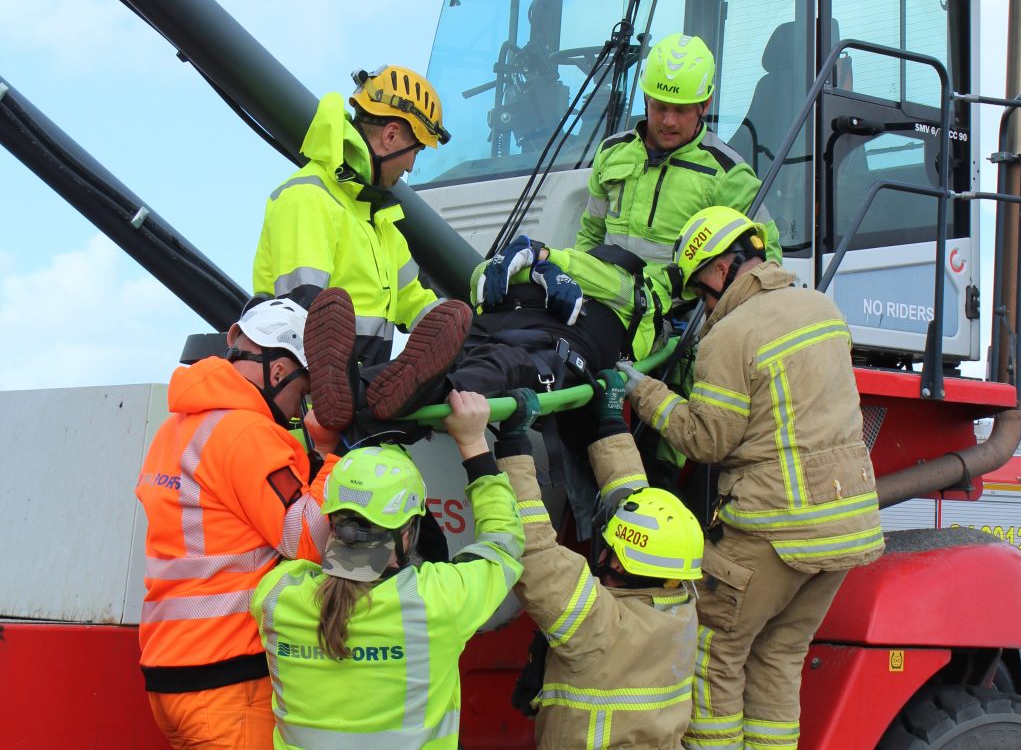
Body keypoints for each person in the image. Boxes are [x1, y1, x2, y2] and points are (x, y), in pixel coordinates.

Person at [614, 206, 884, 750]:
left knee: (714, 652)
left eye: (701, 295)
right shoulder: (824, 309)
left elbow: (705, 440)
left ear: (719, 270)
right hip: (847, 527)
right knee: (779, 658)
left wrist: (641, 390)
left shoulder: (731, 335)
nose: (703, 309)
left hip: (774, 528)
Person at [250, 390, 525, 749]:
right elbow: (503, 544)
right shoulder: (436, 602)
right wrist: (473, 441)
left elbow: (306, 540)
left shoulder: (277, 596)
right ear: (409, 534)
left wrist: (324, 449)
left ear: (333, 520)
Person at [136, 298, 337, 750]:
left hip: (171, 671)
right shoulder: (247, 431)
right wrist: (330, 455)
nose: (295, 411)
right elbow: (307, 538)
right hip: (226, 679)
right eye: (300, 392)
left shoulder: (179, 426)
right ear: (279, 372)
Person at [493, 381, 704, 748]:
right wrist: (610, 423)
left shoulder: (598, 623)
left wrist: (513, 445)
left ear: (620, 566)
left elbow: (534, 550)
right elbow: (636, 507)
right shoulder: (682, 607)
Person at [252, 65, 452, 390]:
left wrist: (476, 335)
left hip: (358, 400)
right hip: (310, 408)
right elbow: (303, 318)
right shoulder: (308, 198)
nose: (412, 166)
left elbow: (418, 303)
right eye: (415, 151)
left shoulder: (377, 221)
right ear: (390, 137)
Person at [573, 32, 782, 295]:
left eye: (681, 110)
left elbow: (765, 260)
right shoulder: (611, 153)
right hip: (608, 307)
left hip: (679, 322)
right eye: (659, 107)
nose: (668, 121)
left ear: (704, 105)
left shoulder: (728, 175)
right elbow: (591, 235)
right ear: (646, 100)